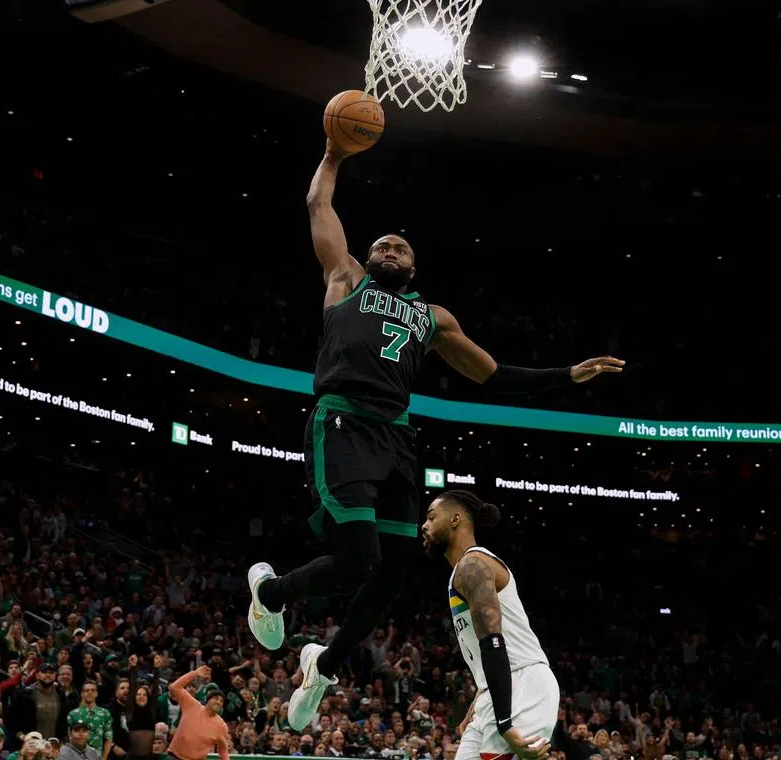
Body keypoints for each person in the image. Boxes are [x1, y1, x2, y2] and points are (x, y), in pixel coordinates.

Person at [247, 135, 624, 731]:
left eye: (401, 246)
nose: (391, 247)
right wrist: (333, 154)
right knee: (357, 557)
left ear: (414, 267)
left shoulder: (433, 315)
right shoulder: (346, 279)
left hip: (395, 437)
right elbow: (319, 207)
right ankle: (269, 596)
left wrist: (565, 375)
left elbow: (490, 372)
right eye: (382, 244)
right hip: (343, 418)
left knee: (394, 570)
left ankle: (324, 666)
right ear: (368, 259)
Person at [420, 490, 559, 760]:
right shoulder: (462, 569)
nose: (424, 525)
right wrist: (480, 698)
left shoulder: (474, 565)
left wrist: (505, 724)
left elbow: (494, 642)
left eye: (431, 516)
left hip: (525, 684)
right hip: (496, 690)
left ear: (455, 519)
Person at [164, 666, 229, 760]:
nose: (218, 702)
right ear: (207, 700)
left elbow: (223, 750)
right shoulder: (192, 705)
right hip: (174, 757)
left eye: (221, 701)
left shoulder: (222, 726)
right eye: (216, 698)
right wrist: (194, 674)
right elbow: (174, 687)